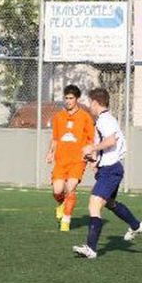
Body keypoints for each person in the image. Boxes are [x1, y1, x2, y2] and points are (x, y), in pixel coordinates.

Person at [73, 87, 142, 259]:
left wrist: (93, 147)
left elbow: (111, 141)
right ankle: (135, 225)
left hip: (111, 169)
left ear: (96, 102)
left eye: (90, 102)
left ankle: (91, 248)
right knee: (110, 203)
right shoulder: (105, 120)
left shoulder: (105, 120)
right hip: (109, 168)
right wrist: (94, 160)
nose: (89, 105)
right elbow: (109, 144)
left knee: (94, 204)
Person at [45, 84, 94, 232]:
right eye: (66, 98)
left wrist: (93, 158)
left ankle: (66, 220)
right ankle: (61, 205)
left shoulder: (85, 117)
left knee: (70, 188)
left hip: (78, 161)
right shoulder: (58, 117)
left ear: (77, 99)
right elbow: (55, 138)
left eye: (71, 98)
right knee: (58, 190)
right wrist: (50, 152)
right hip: (61, 160)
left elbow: (91, 140)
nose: (68, 101)